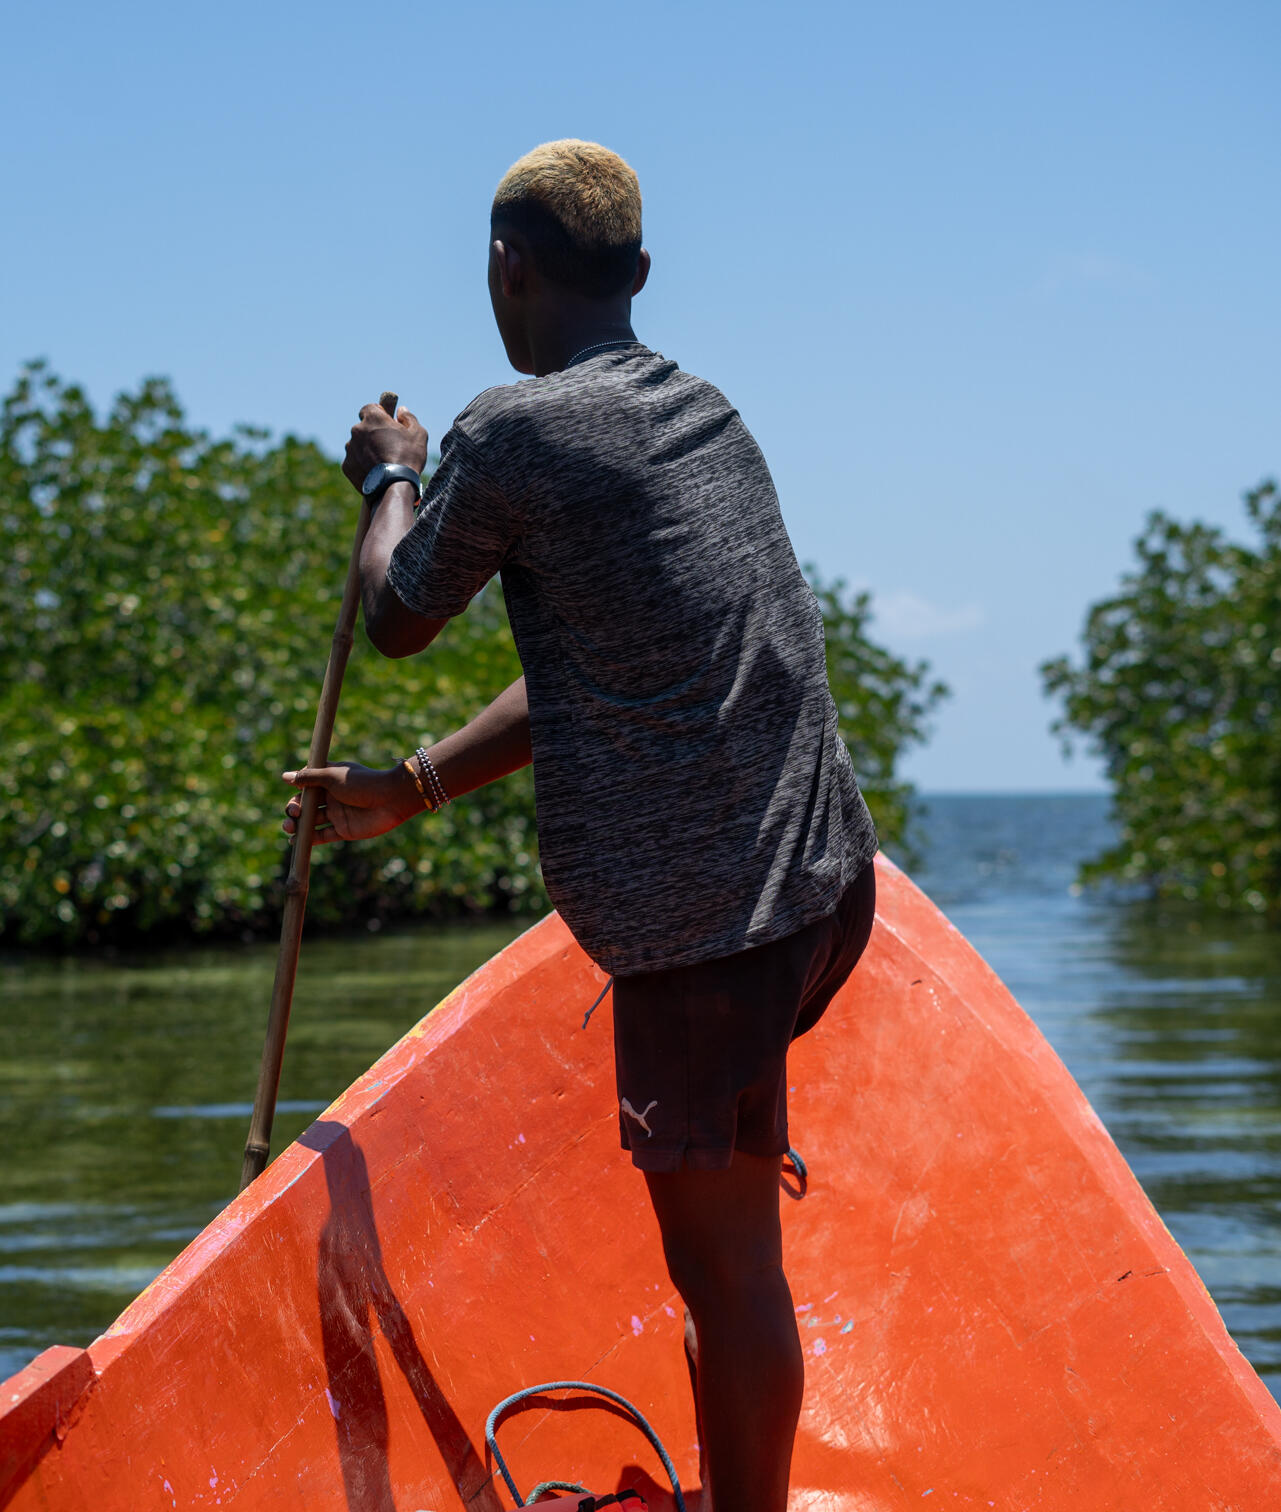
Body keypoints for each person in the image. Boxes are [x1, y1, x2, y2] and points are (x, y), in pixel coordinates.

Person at [281, 139, 879, 1512]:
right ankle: (736, 1143)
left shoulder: (513, 433)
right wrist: (413, 786)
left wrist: (390, 476)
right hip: (814, 884)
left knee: (724, 1275)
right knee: (722, 1237)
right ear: (640, 276)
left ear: (507, 270)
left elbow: (396, 617)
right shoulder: (701, 410)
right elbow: (610, 677)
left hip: (703, 924)